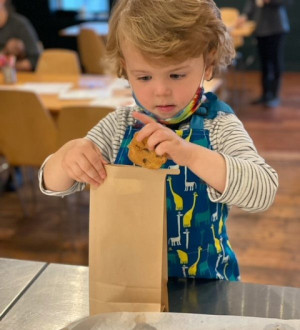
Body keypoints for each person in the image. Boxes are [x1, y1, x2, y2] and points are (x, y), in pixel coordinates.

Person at [39, 0, 278, 280]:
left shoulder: (218, 125)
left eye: (177, 74)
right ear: (124, 69)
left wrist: (189, 154)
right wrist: (67, 157)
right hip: (130, 286)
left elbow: (263, 192)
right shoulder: (119, 127)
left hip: (206, 284)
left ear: (208, 63)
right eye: (144, 76)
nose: (161, 91)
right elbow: (51, 184)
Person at [237, 0, 292, 108]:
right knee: (264, 63)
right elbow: (252, 4)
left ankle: (274, 96)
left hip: (276, 28)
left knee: (275, 61)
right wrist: (244, 16)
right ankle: (265, 95)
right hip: (261, 30)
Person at [0, 0, 40, 71]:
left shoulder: (19, 25)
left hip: (19, 77)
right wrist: (5, 50)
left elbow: (35, 60)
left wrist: (10, 65)